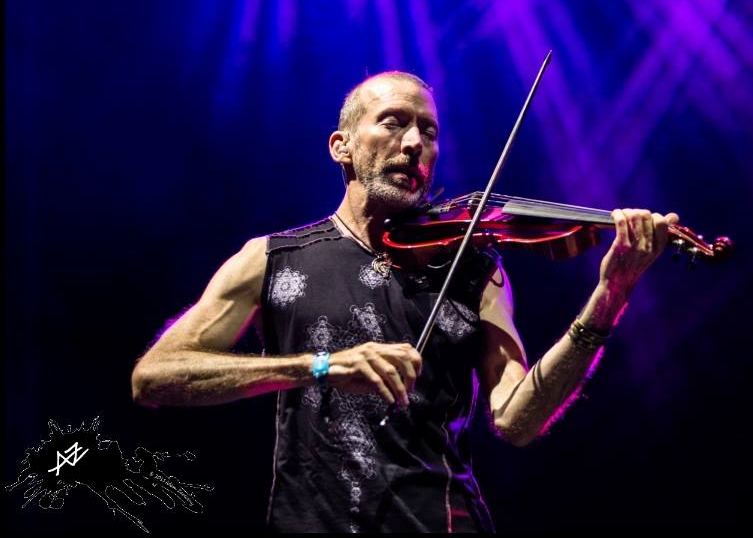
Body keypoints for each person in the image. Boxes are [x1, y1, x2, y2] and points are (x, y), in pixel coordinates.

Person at [131, 71, 679, 532]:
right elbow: (154, 377)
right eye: (393, 122)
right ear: (342, 146)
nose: (415, 142)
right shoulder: (273, 259)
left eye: (428, 131)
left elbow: (517, 419)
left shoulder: (475, 271)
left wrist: (609, 298)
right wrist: (317, 367)